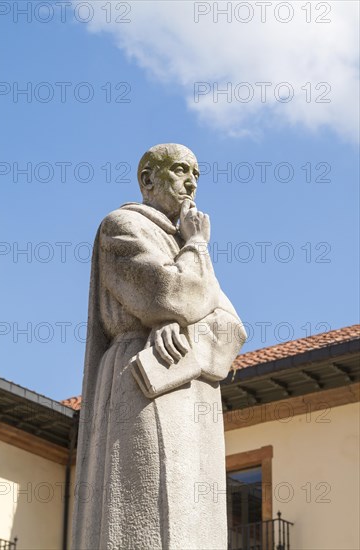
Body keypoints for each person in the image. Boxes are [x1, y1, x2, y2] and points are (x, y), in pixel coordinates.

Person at [72, 143, 246, 550]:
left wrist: (184, 334)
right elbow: (171, 295)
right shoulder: (122, 227)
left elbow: (231, 329)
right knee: (145, 507)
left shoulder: (183, 244)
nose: (191, 184)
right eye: (181, 170)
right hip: (141, 378)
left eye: (197, 176)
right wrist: (196, 252)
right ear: (148, 179)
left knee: (192, 516)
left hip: (190, 378)